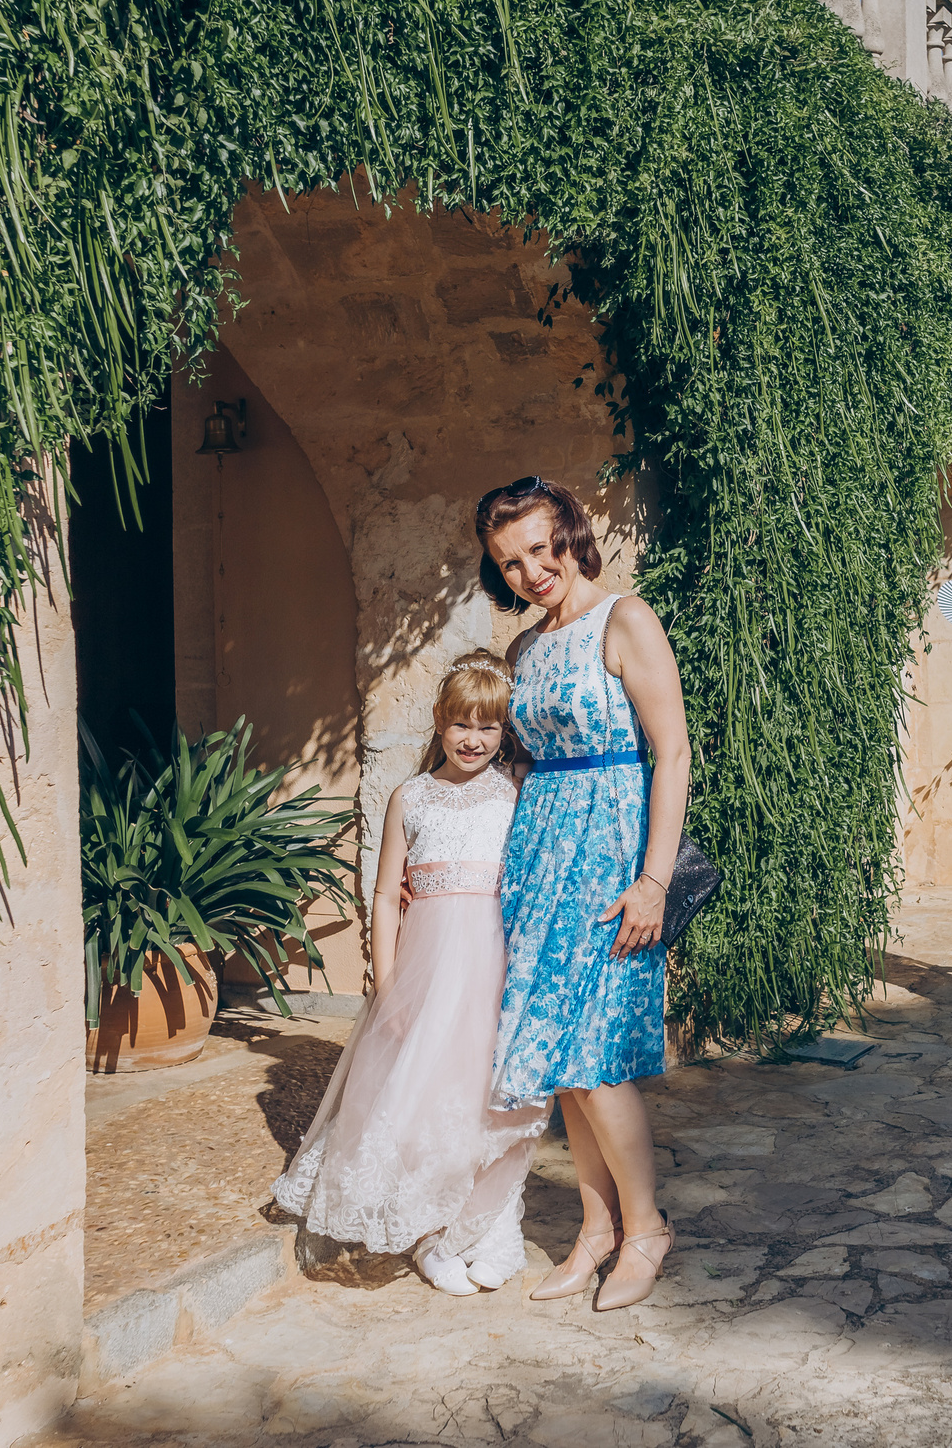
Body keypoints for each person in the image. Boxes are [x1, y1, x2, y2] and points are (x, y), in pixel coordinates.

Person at [475, 475, 690, 1312]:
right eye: (511, 561)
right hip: (539, 857)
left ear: (569, 531)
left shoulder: (625, 619)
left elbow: (670, 753)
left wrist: (654, 879)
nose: (531, 570)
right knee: (563, 1063)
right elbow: (515, 760)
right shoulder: (525, 649)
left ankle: (647, 1229)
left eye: (539, 546)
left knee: (597, 1057)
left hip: (610, 858)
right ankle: (596, 1229)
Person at [271, 652, 546, 1295]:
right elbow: (388, 895)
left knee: (495, 1101)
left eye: (489, 727)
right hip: (427, 976)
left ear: (506, 732)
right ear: (438, 723)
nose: (474, 740)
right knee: (422, 1100)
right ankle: (429, 1236)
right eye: (461, 725)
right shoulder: (411, 796)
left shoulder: (515, 789)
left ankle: (493, 1227)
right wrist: (387, 984)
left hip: (494, 970)